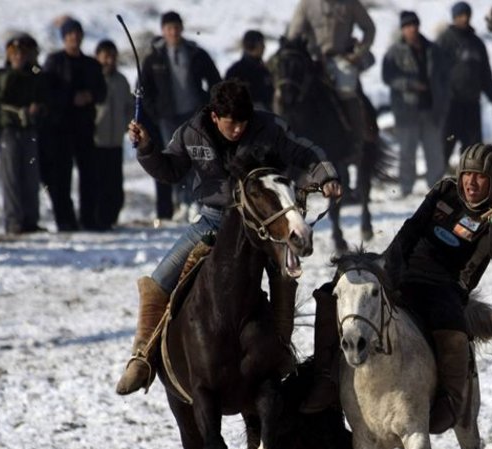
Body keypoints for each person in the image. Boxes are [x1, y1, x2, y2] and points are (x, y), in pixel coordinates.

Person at [116, 79, 342, 396]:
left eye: (243, 123)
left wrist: (326, 176)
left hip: (262, 226)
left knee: (285, 278)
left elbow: (305, 151)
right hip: (212, 220)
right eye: (230, 123)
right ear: (214, 116)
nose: (237, 130)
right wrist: (147, 148)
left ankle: (280, 353)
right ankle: (142, 357)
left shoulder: (269, 127)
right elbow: (169, 170)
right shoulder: (190, 133)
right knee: (157, 282)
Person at [302, 143, 492, 428]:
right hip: (402, 269)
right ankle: (325, 378)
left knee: (454, 331)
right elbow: (412, 227)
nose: (471, 182)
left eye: (480, 177)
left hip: (445, 288)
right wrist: (385, 268)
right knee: (334, 289)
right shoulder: (445, 190)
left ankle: (451, 400)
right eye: (467, 174)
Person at [141, 11, 222, 221]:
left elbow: (215, 80)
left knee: (197, 156)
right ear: (163, 31)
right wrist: (155, 112)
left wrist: (210, 105)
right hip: (168, 117)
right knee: (175, 159)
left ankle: (197, 201)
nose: (173, 32)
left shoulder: (196, 53)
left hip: (194, 114)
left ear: (182, 29)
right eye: (169, 29)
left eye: (176, 28)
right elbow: (143, 89)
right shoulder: (154, 58)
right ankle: (182, 202)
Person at [286, 0, 376, 161]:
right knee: (290, 88)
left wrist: (358, 53)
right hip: (312, 59)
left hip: (341, 58)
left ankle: (357, 141)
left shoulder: (350, 3)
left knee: (347, 90)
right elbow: (294, 34)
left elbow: (369, 28)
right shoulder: (307, 4)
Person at [40, 18, 107, 231]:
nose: (74, 39)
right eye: (70, 35)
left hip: (85, 127)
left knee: (90, 175)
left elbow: (102, 91)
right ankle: (65, 220)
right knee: (62, 177)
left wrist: (90, 96)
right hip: (60, 129)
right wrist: (71, 98)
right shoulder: (54, 62)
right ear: (64, 38)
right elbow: (47, 92)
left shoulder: (90, 64)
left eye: (77, 34)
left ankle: (89, 218)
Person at [382, 11, 450, 197]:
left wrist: (443, 101)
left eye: (414, 25)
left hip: (431, 109)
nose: (412, 29)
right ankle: (405, 188)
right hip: (406, 111)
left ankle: (437, 187)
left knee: (435, 152)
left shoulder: (432, 49)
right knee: (406, 153)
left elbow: (444, 77)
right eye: (408, 26)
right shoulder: (394, 52)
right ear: (403, 29)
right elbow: (388, 77)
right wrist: (409, 85)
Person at [0, 34, 48, 235]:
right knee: (12, 177)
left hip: (29, 130)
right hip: (8, 130)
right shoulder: (1, 76)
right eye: (14, 53)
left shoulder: (35, 75)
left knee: (31, 177)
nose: (18, 57)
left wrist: (37, 109)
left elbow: (44, 97)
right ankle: (14, 221)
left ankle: (30, 220)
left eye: (22, 53)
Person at [436, 2, 492, 167]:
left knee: (473, 149)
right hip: (451, 104)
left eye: (466, 15)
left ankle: (468, 179)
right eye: (460, 16)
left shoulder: (477, 43)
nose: (464, 19)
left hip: (472, 102)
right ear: (454, 17)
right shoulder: (445, 40)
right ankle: (436, 181)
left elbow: (485, 74)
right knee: (445, 145)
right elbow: (434, 72)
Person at [94, 40, 134, 230]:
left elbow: (129, 107)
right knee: (98, 183)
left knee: (115, 184)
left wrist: (126, 126)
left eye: (112, 56)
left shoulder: (121, 80)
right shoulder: (93, 79)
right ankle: (98, 218)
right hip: (97, 141)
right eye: (105, 56)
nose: (109, 60)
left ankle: (112, 217)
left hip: (116, 140)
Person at [225, 30, 274, 112]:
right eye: (261, 44)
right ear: (251, 45)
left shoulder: (264, 69)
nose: (264, 47)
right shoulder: (236, 71)